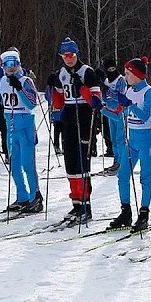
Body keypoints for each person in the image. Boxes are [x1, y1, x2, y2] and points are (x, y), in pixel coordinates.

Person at [0, 49, 43, 213]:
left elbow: (32, 103)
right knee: (14, 165)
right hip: (10, 127)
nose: (11, 68)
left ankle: (35, 197)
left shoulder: (26, 80)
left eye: (14, 64)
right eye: (8, 64)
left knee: (27, 164)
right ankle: (22, 196)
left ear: (18, 64)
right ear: (3, 66)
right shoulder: (2, 81)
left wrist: (20, 89)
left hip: (25, 126)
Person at [51, 37, 102, 223]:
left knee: (82, 162)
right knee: (71, 163)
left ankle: (86, 204)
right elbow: (58, 101)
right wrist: (52, 90)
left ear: (77, 54)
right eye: (65, 56)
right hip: (69, 117)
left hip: (84, 116)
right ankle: (76, 203)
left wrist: (82, 89)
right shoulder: (61, 73)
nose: (69, 59)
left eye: (71, 55)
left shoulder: (86, 72)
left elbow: (97, 102)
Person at [107, 57, 151, 232]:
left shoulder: (149, 92)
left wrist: (130, 104)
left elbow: (145, 115)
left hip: (146, 138)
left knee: (145, 176)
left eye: (128, 73)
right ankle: (126, 211)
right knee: (122, 175)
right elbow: (118, 115)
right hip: (133, 139)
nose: (126, 76)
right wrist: (100, 107)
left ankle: (144, 214)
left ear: (137, 74)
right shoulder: (129, 91)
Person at [100, 58, 127, 175]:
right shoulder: (107, 80)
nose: (112, 71)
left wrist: (109, 91)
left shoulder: (120, 80)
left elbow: (120, 95)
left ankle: (121, 162)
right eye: (109, 69)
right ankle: (116, 160)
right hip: (110, 112)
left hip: (119, 112)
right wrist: (103, 90)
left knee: (120, 138)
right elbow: (105, 98)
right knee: (113, 138)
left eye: (113, 69)